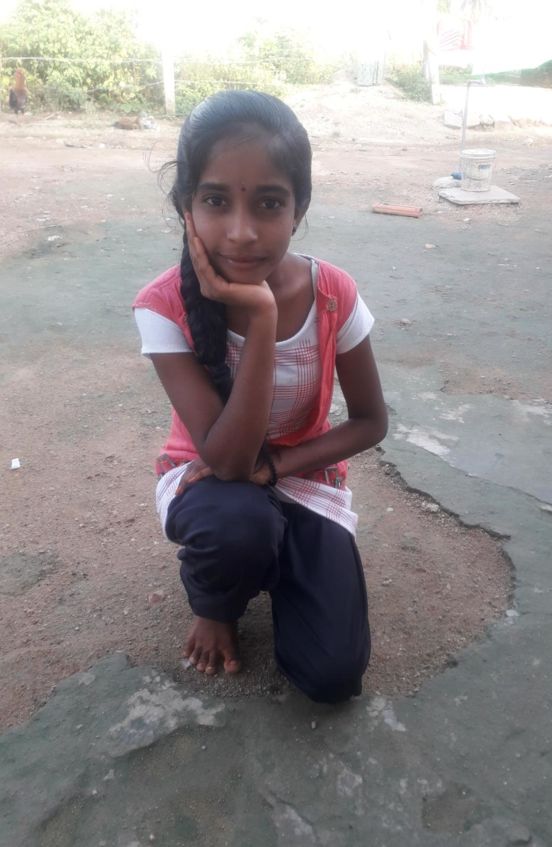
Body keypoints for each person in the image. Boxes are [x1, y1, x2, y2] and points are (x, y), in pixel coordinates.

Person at [132, 90, 387, 703]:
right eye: (216, 200)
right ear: (186, 207)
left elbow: (370, 421)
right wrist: (263, 315)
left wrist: (277, 467)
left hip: (301, 477)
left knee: (333, 675)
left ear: (299, 209)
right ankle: (217, 598)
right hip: (210, 484)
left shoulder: (334, 294)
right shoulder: (162, 306)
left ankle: (275, 558)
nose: (242, 233)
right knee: (236, 522)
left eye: (269, 203)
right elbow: (226, 464)